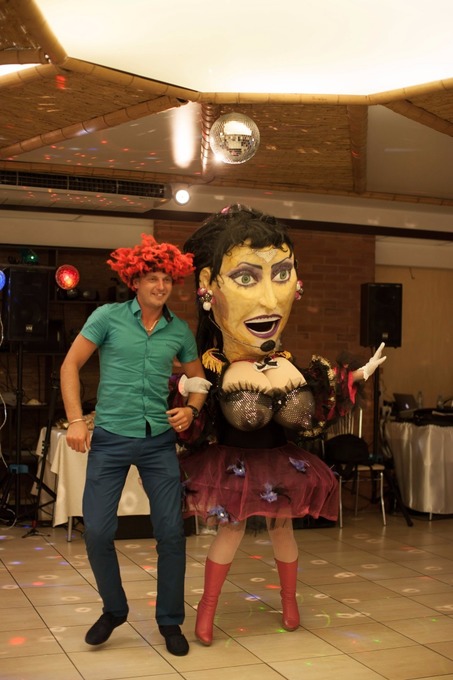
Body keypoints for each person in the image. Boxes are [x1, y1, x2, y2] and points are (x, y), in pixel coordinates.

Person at [178, 204, 386, 645]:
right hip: (231, 466)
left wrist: (359, 374)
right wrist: (185, 397)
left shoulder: (289, 364)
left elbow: (323, 399)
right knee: (231, 530)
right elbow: (194, 416)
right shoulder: (212, 365)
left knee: (282, 529)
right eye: (246, 278)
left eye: (282, 274)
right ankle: (206, 611)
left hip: (281, 462)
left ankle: (290, 603)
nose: (270, 300)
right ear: (208, 286)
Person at [60, 233, 210, 656]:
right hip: (109, 439)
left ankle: (170, 620)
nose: (160, 286)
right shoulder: (107, 317)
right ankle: (114, 609)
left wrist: (192, 409)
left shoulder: (178, 330)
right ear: (135, 281)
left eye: (166, 279)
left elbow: (198, 380)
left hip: (158, 442)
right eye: (152, 278)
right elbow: (70, 365)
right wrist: (76, 420)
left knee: (171, 533)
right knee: (97, 531)